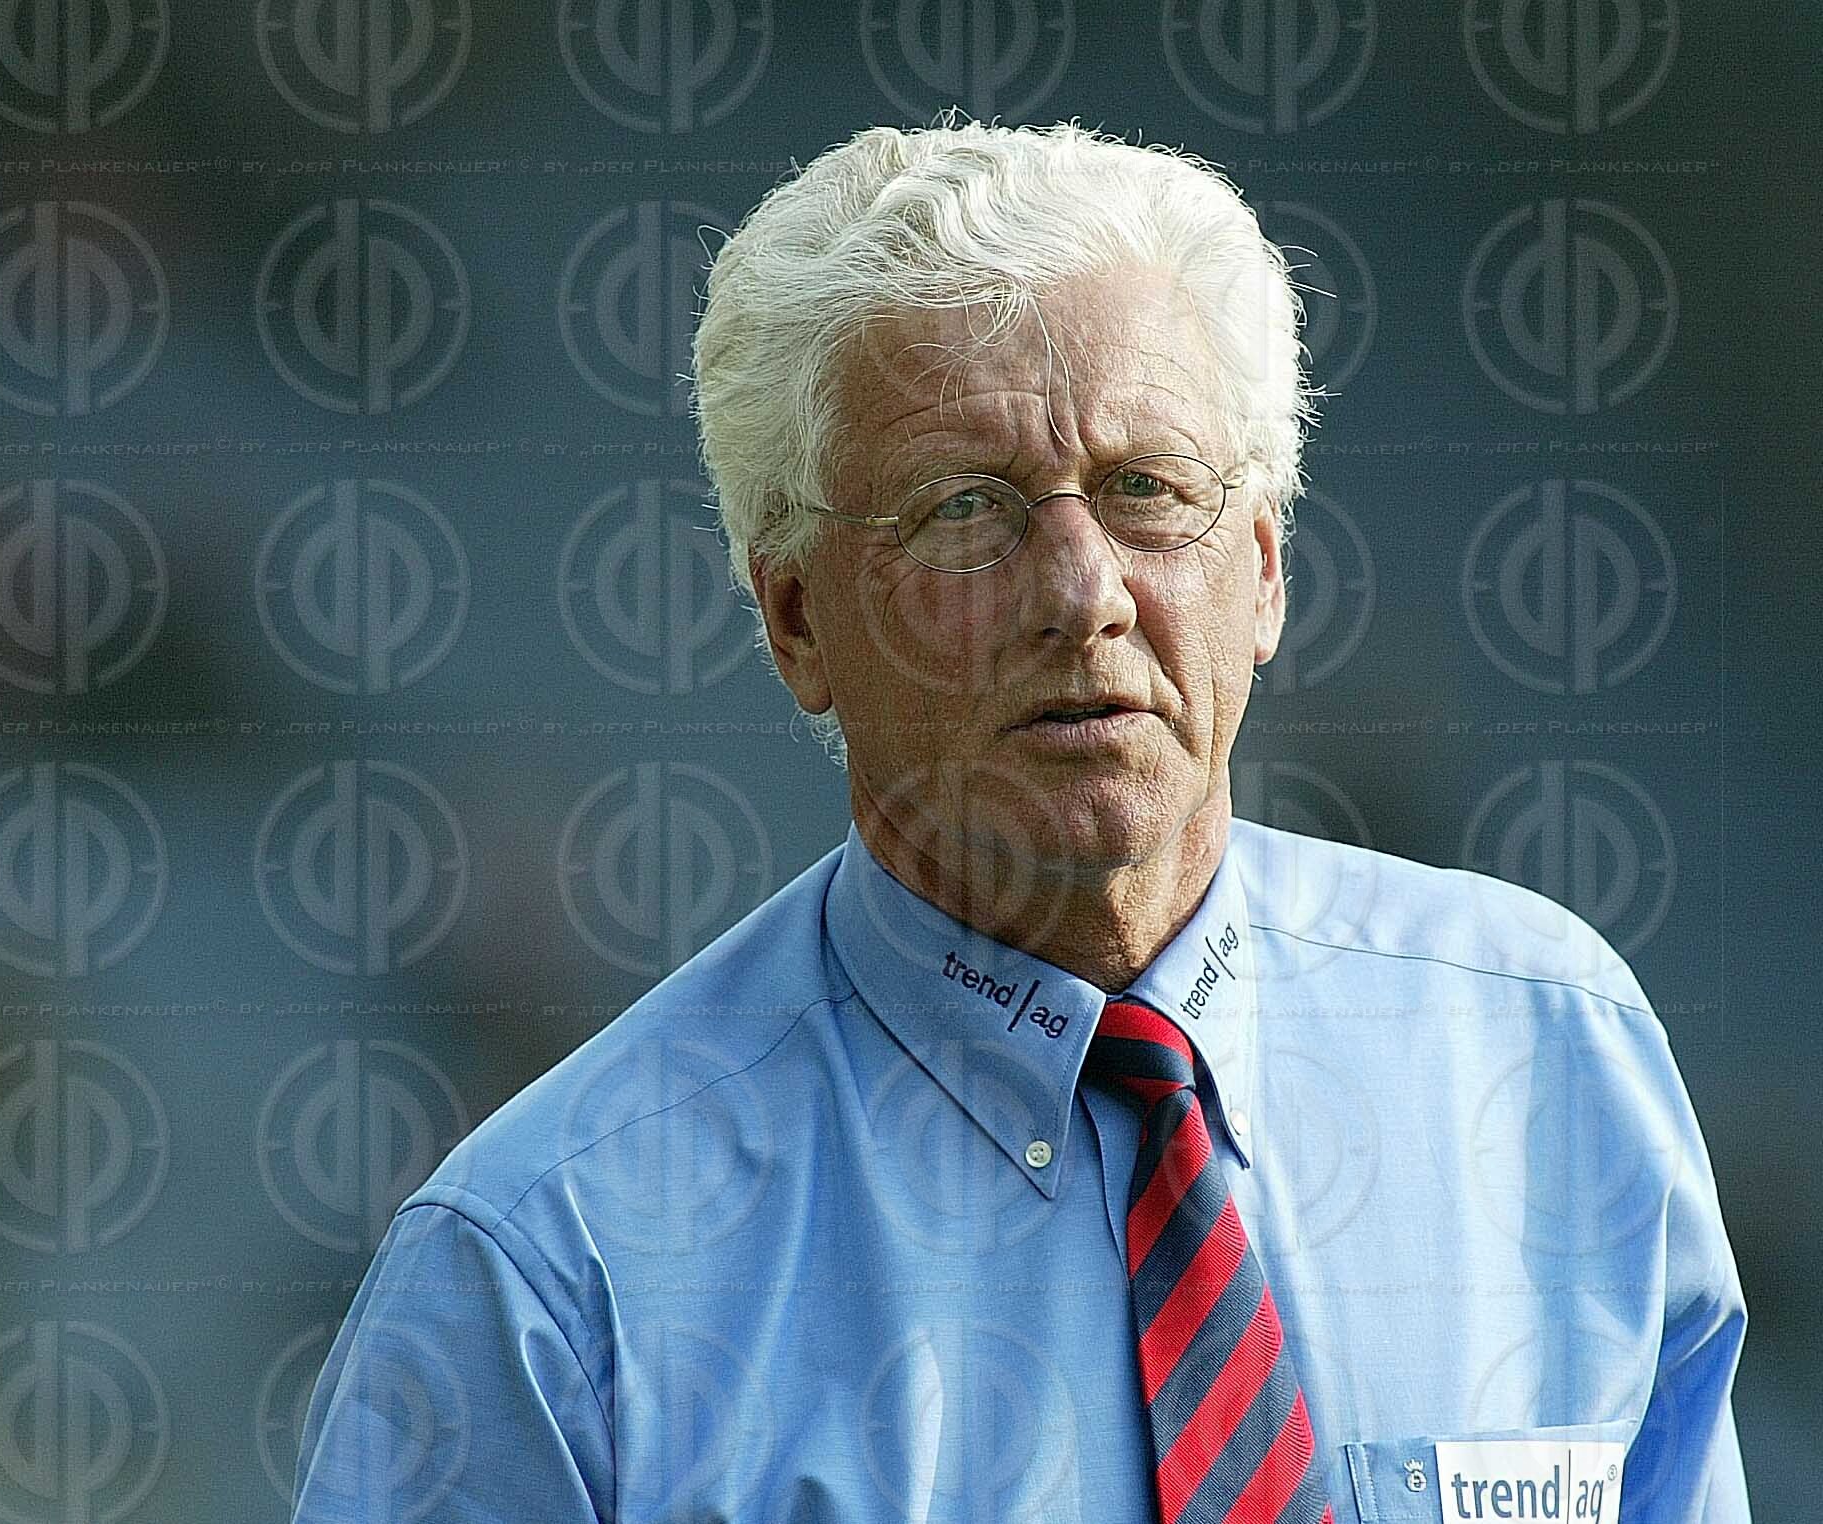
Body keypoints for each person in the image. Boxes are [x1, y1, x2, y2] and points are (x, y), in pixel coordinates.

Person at [290, 119, 1749, 1523]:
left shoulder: (1553, 1056)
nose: (1085, 593)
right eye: (966, 509)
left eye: (1148, 490)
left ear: (1264, 569)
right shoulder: (555, 1275)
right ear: (794, 617)